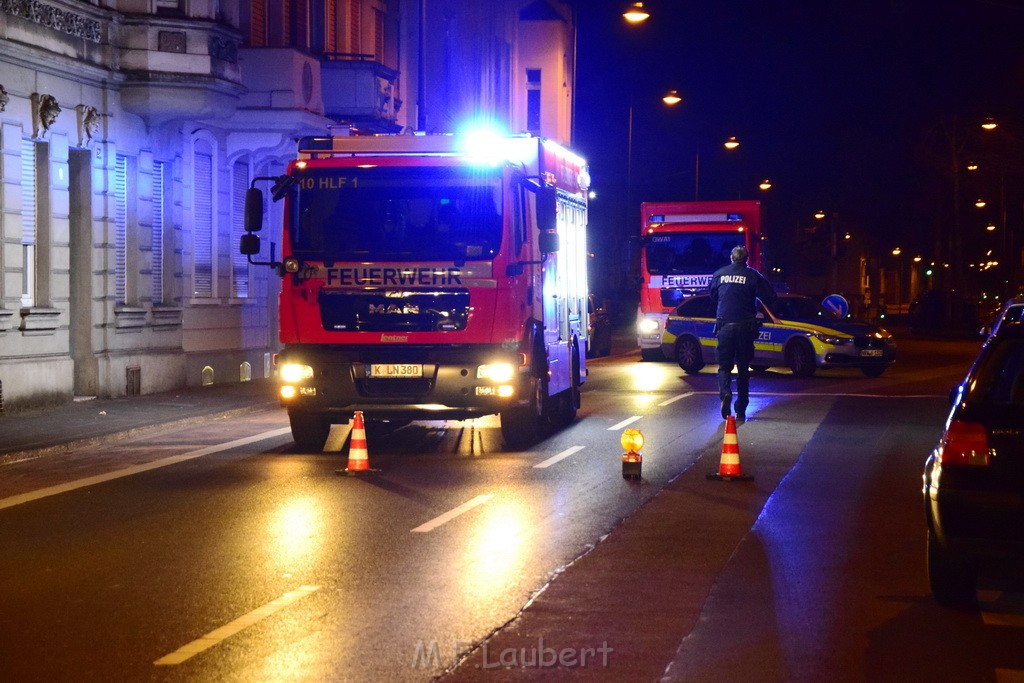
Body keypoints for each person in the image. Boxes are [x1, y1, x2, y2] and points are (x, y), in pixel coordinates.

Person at [709, 245, 777, 422]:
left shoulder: (719, 274)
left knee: (724, 367)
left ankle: (725, 394)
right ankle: (740, 410)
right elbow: (769, 296)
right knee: (743, 370)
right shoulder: (752, 275)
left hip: (724, 327)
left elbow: (713, 297)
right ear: (746, 259)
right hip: (745, 328)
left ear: (732, 258)